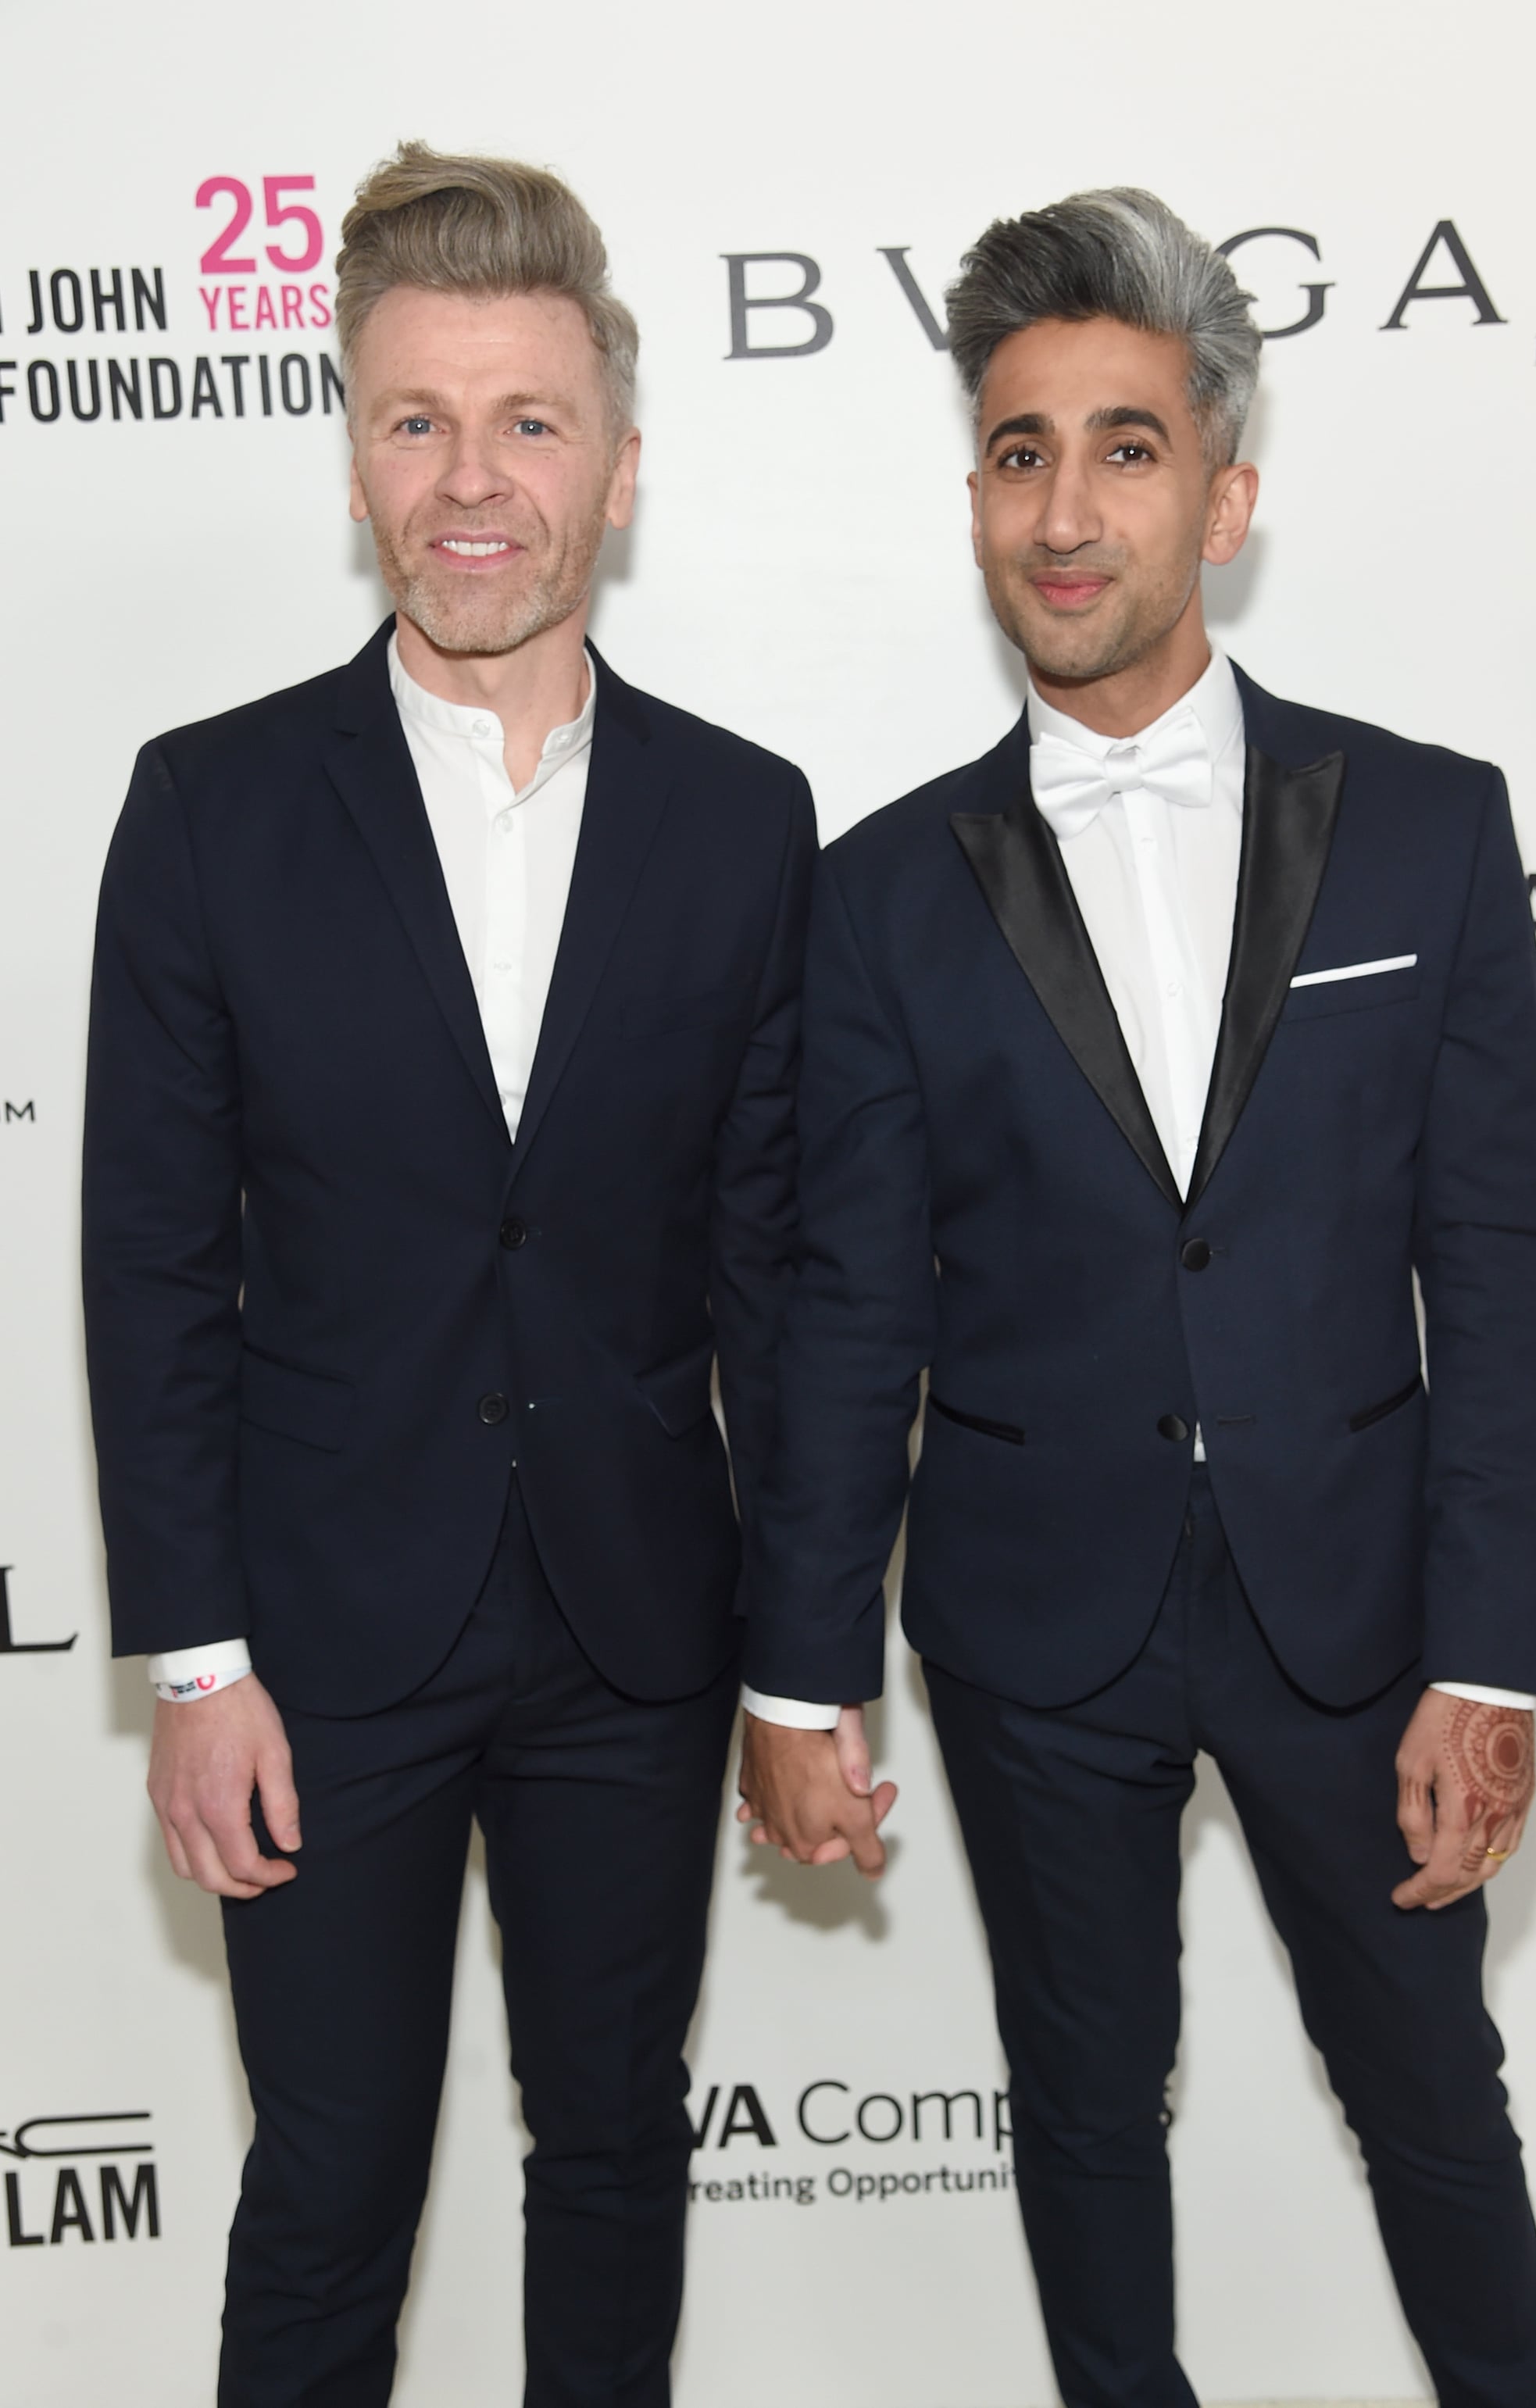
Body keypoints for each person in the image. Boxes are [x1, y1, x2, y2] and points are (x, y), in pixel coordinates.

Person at [737, 189, 1536, 2407]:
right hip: (1034, 1617)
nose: (1067, 508)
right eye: (1020, 452)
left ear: (1228, 488)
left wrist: (1494, 1650)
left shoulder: (1428, 829)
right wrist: (801, 1670)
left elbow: (1494, 1266)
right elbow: (847, 1310)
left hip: (1363, 1616)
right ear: (978, 498)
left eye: (1122, 445)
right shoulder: (884, 890)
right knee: (1086, 2135)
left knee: (1438, 2110)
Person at [82, 141, 813, 2408]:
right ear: (354, 446)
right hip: (320, 1644)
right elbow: (145, 1259)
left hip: (633, 1632)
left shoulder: (743, 816)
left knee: (613, 2161)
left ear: (614, 461)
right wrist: (195, 1662)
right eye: (416, 420)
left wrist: (799, 1666)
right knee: (327, 2191)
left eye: (524, 422)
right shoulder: (208, 805)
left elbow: (782, 1276)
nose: (469, 480)